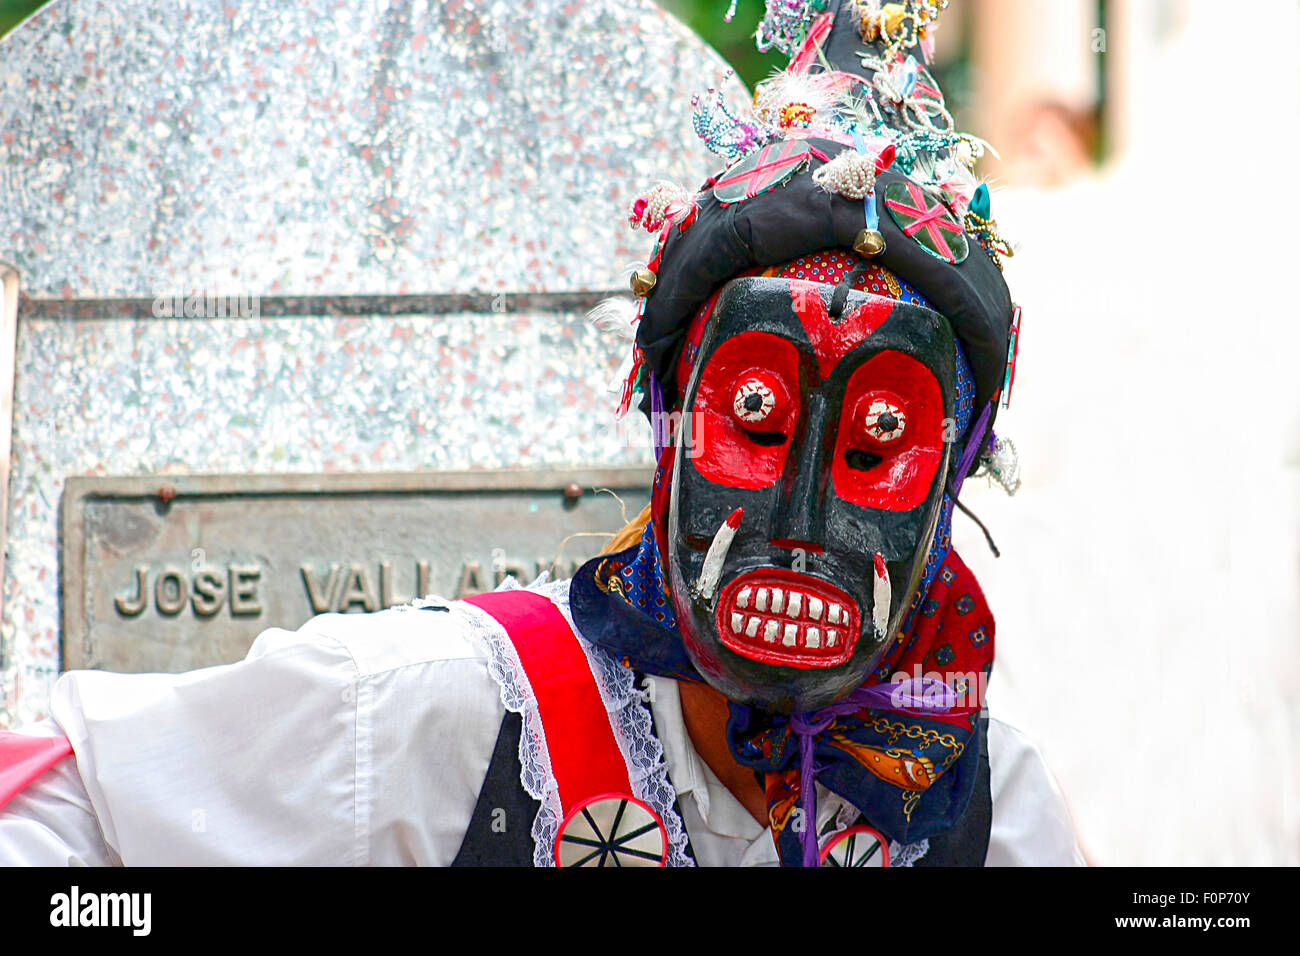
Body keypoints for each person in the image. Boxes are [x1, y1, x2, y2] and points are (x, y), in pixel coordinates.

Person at [0, 0, 1082, 866]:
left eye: (873, 445)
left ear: (951, 478)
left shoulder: (985, 805)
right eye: (754, 414)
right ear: (666, 421)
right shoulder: (444, 707)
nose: (799, 525)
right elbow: (65, 813)